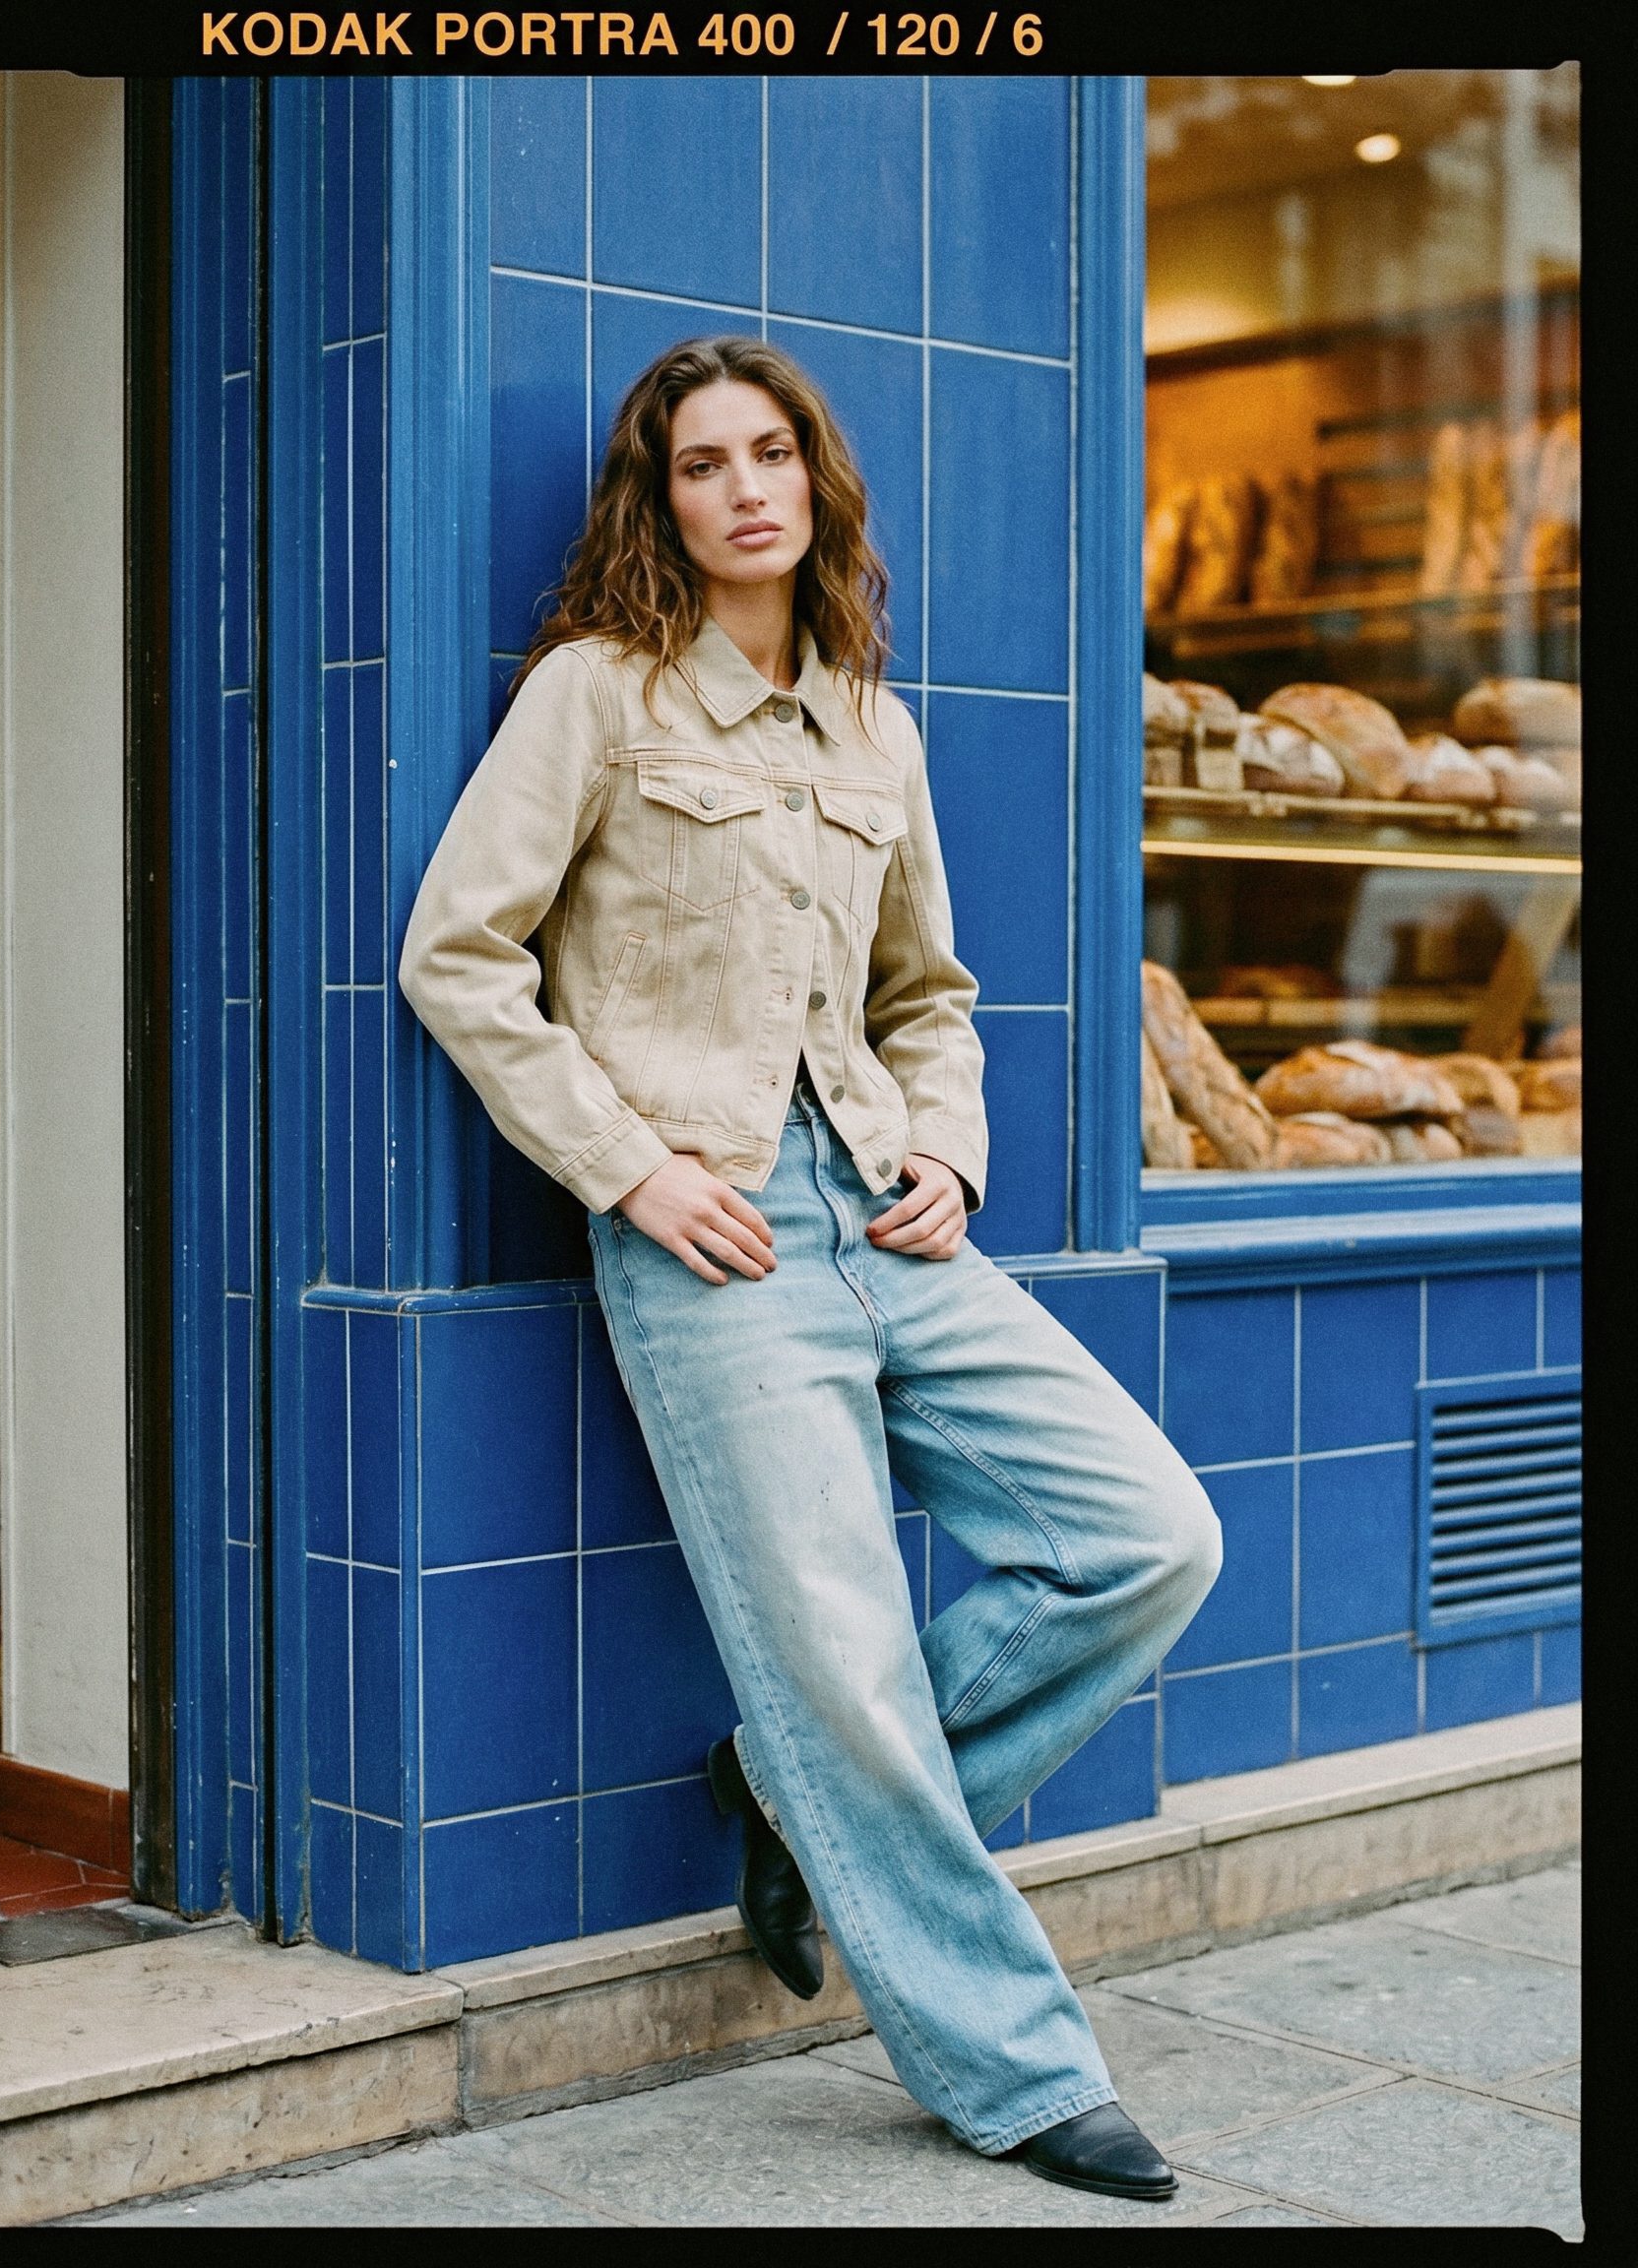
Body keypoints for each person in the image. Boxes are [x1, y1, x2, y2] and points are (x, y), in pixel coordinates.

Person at [400, 336, 1222, 2200]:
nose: (742, 489)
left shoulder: (872, 719)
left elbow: (930, 992)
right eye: (702, 465)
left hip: (884, 1205)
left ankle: (790, 1796)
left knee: (1152, 1536)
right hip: (719, 1238)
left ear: (815, 482)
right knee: (838, 1661)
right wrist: (629, 1173)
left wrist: (949, 1145)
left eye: (771, 454)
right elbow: (459, 954)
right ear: (658, 498)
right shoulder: (596, 696)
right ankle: (1016, 2072)